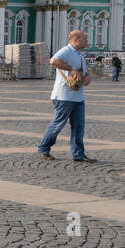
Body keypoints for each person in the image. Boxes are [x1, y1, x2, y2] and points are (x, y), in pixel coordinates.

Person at [38, 29, 96, 163]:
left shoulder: (79, 55)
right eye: (84, 39)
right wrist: (71, 69)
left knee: (79, 126)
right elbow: (53, 61)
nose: (87, 41)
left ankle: (78, 154)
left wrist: (87, 77)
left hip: (78, 96)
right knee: (58, 124)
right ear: (76, 40)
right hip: (63, 96)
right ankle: (44, 149)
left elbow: (84, 72)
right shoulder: (67, 50)